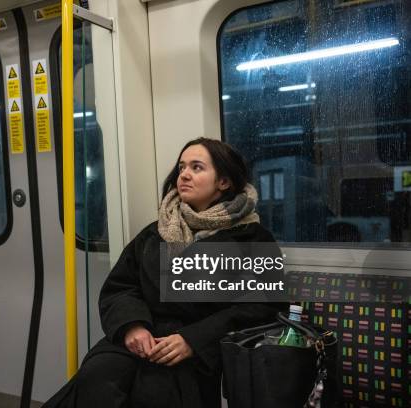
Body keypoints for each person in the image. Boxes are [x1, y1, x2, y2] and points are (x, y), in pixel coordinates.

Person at [43, 137, 284, 408]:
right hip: (143, 335)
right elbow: (122, 285)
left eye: (197, 167)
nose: (185, 175)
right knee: (98, 375)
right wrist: (132, 326)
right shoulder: (156, 231)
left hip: (200, 347)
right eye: (182, 167)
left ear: (224, 182)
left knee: (157, 393)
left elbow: (264, 304)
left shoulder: (252, 238)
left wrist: (193, 340)